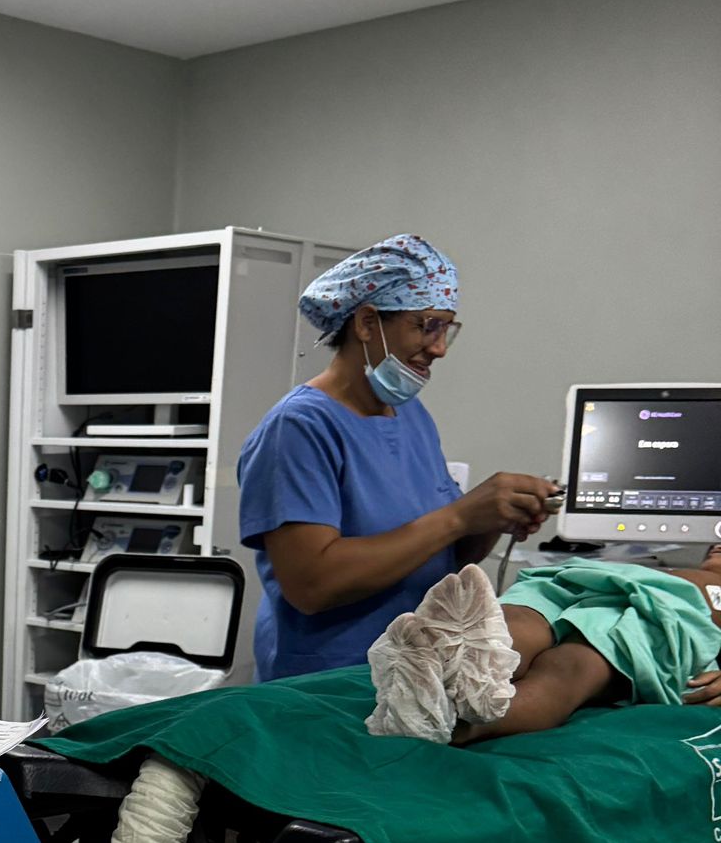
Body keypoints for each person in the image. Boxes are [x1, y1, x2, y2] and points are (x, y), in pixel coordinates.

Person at [237, 234, 558, 681]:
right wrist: (460, 516)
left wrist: (491, 518)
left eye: (447, 329)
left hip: (411, 673)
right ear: (367, 323)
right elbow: (312, 584)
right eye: (427, 326)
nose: (439, 348)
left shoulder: (410, 416)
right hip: (326, 685)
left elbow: (440, 554)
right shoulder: (298, 429)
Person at [366, 551, 721, 745]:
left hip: (669, 615)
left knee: (573, 666)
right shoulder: (669, 565)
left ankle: (449, 722)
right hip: (592, 580)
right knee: (521, 619)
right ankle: (453, 660)